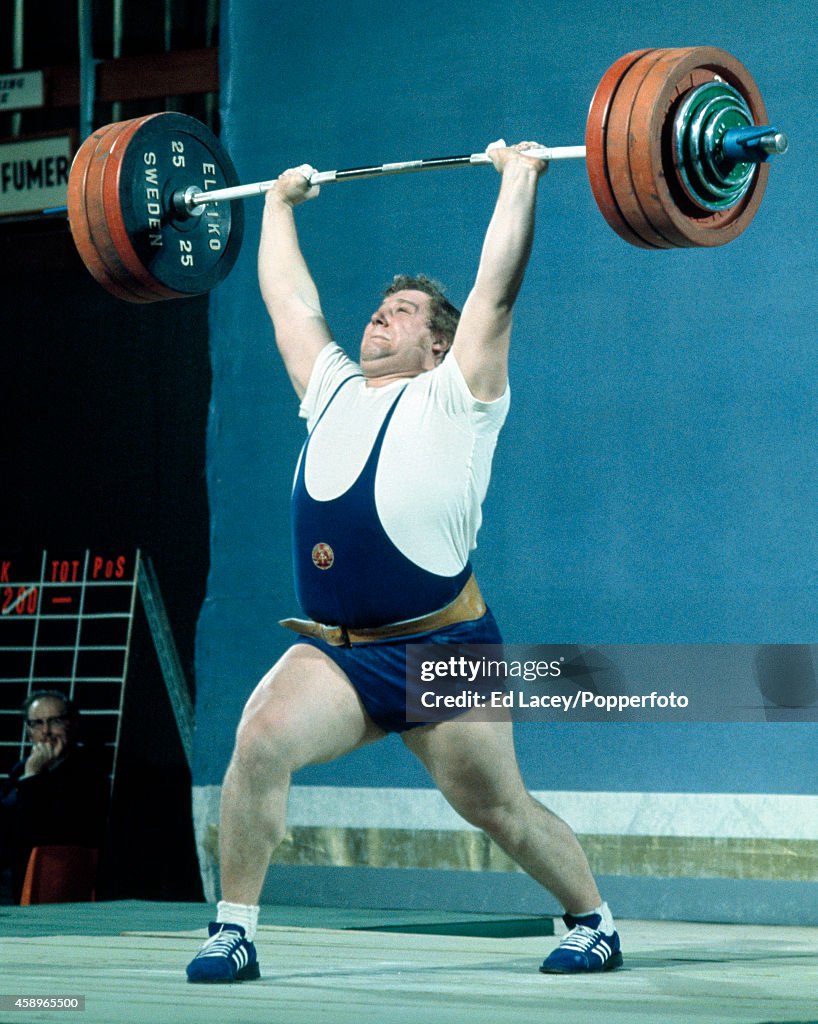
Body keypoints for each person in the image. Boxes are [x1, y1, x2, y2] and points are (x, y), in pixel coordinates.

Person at [186, 141, 622, 982]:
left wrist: (518, 180)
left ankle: (592, 919)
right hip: (342, 652)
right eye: (381, 307)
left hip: (442, 653)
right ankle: (232, 928)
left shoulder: (461, 394)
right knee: (261, 734)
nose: (382, 316)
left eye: (406, 311)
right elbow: (290, 303)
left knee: (499, 810)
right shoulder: (334, 389)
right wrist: (277, 208)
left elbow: (496, 288)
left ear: (438, 344)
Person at [0, 690, 110, 903]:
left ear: (72, 724)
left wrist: (33, 777)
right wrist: (31, 773)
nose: (46, 732)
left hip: (55, 881)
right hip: (12, 876)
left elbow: (41, 830)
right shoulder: (21, 768)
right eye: (37, 723)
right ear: (28, 731)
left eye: (55, 721)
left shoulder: (88, 773)